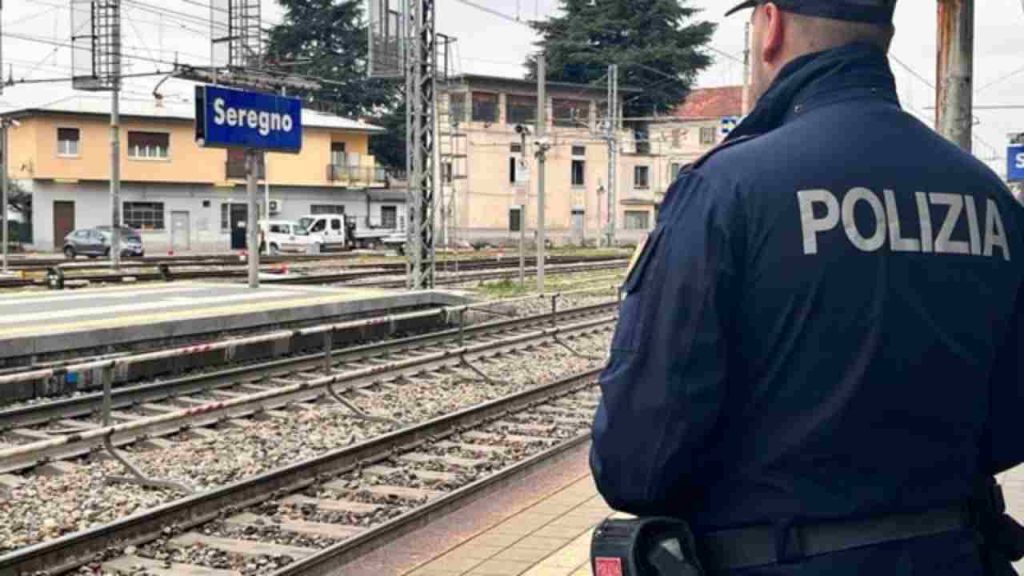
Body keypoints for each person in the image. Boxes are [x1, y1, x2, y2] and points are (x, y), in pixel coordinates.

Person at [590, 1, 1024, 574]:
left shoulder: (726, 190)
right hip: (953, 552)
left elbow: (636, 464)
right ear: (882, 34)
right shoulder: (986, 196)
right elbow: (1009, 427)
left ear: (770, 25)